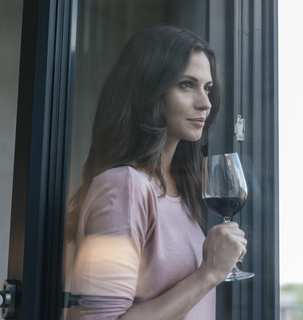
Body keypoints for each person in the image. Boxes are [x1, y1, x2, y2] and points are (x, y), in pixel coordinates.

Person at [67, 25, 248, 320]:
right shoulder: (124, 187)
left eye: (207, 88)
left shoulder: (182, 190)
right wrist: (210, 273)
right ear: (148, 91)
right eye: (187, 84)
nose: (206, 103)